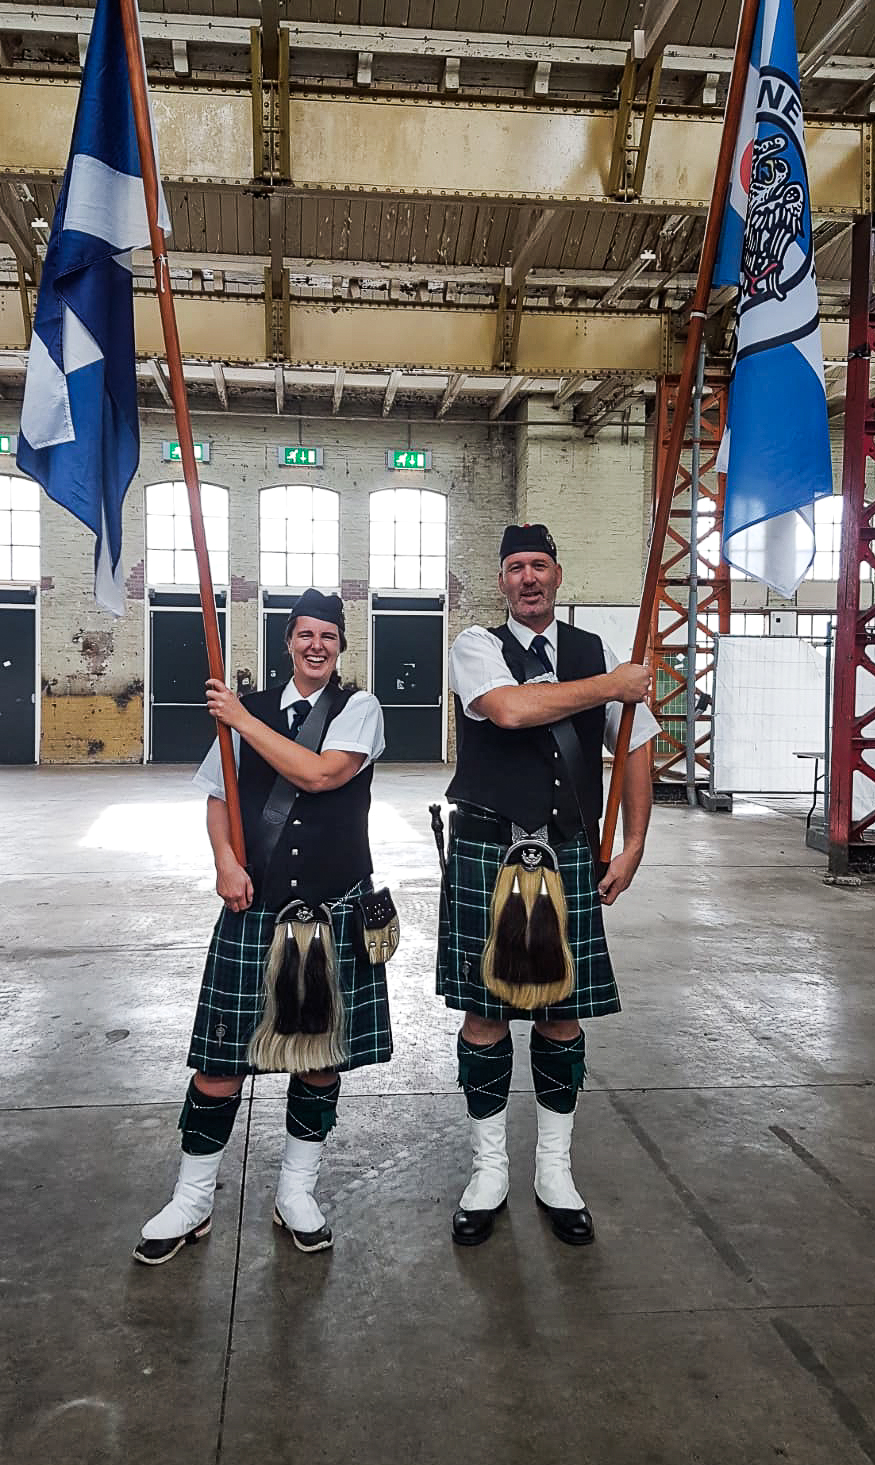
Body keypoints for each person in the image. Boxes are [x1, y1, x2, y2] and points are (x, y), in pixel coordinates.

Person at [134, 588, 392, 1266]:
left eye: (328, 637)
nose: (316, 646)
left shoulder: (358, 709)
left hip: (332, 910)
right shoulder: (242, 713)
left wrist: (240, 720)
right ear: (288, 643)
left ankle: (296, 1194)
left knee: (320, 1065)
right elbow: (218, 799)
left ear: (339, 645)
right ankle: (191, 1200)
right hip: (255, 910)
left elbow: (319, 774)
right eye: (305, 635)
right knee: (220, 1065)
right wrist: (224, 861)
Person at [437, 524, 659, 1248]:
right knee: (485, 1018)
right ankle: (488, 1171)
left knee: (562, 1018)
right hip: (487, 853)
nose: (528, 578)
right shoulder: (476, 646)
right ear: (501, 581)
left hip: (566, 856)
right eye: (514, 568)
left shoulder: (593, 653)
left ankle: (555, 1173)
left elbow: (637, 746)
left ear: (558, 575)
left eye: (539, 565)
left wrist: (633, 844)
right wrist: (611, 685)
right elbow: (509, 710)